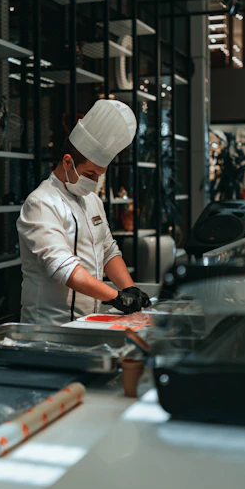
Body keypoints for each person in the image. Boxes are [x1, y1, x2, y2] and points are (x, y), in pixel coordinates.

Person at [17, 99, 151, 325]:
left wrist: (130, 289)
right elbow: (64, 268)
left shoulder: (93, 201)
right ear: (68, 162)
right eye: (90, 174)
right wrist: (116, 297)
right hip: (50, 327)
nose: (95, 182)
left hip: (89, 321)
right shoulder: (40, 203)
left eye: (99, 175)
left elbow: (108, 251)